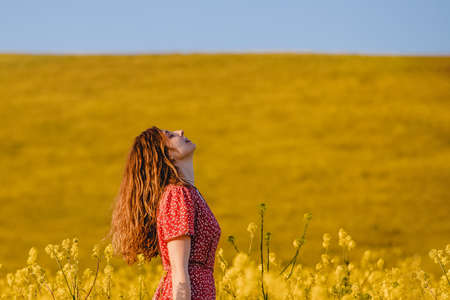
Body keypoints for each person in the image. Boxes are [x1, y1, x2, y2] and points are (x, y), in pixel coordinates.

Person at [107, 126, 221, 300]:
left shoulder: (189, 193)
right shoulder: (177, 195)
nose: (181, 132)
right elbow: (178, 271)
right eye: (170, 135)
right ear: (166, 156)